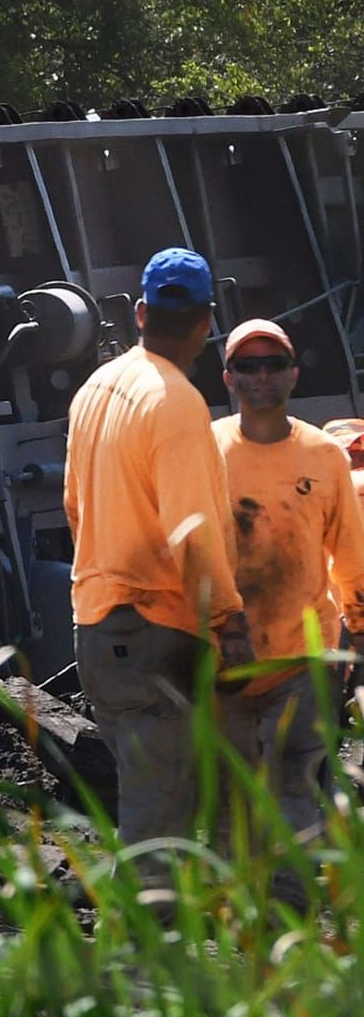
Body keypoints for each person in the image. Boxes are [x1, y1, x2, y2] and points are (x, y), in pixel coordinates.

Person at [64, 247, 253, 844]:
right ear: (206, 320)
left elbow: (74, 505)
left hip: (96, 626)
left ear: (140, 312)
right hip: (157, 632)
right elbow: (192, 534)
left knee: (165, 796)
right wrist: (229, 621)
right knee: (160, 827)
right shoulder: (175, 402)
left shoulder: (96, 389)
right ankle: (145, 932)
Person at [211, 318, 364, 833]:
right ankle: (247, 909)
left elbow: (350, 553)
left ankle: (291, 908)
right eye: (247, 366)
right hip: (226, 664)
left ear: (293, 374)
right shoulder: (206, 454)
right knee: (236, 806)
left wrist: (359, 639)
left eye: (273, 364)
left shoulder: (323, 455)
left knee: (295, 790)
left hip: (306, 661)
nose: (261, 376)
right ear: (228, 378)